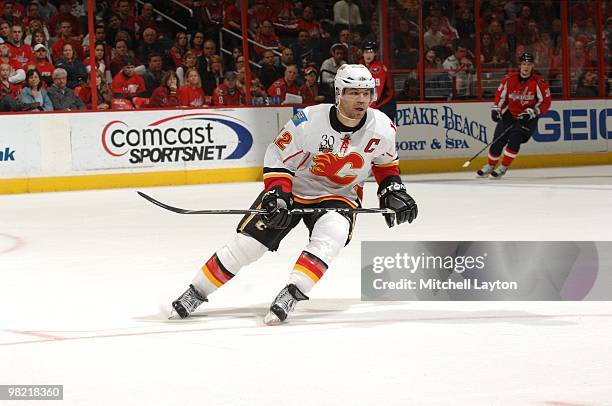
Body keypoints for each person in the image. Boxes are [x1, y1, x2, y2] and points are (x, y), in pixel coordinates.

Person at [170, 64, 418, 324]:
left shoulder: (383, 127)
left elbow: (385, 163)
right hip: (295, 187)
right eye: (353, 93)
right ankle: (196, 291)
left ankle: (293, 291)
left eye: (366, 93)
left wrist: (391, 188)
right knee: (249, 245)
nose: (361, 100)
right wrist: (277, 193)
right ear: (338, 93)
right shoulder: (308, 121)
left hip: (340, 193)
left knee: (332, 235)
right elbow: (277, 156)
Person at [477, 53, 552, 178]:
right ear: (520, 65)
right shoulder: (509, 79)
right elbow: (501, 97)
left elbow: (545, 102)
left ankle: (503, 167)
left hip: (527, 118)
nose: (526, 67)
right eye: (524, 64)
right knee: (497, 141)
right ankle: (490, 165)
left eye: (528, 64)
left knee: (514, 140)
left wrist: (532, 112)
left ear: (532, 66)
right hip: (510, 114)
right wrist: (496, 109)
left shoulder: (539, 82)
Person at [360, 41, 396, 121]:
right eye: (366, 52)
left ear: (375, 53)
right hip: (374, 106)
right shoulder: (361, 66)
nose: (368, 55)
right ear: (362, 54)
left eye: (371, 52)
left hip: (384, 106)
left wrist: (368, 108)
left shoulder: (377, 69)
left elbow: (376, 92)